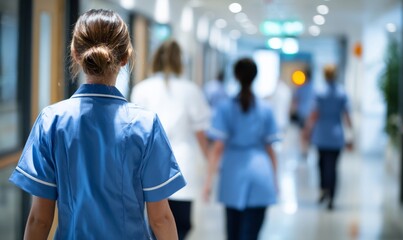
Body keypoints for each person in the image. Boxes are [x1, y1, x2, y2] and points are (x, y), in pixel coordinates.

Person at [9, 9, 185, 239]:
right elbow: (160, 218)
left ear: (75, 53)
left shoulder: (51, 121)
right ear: (125, 57)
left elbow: (39, 219)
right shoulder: (145, 125)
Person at [131, 40, 211, 240]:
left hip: (148, 165)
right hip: (183, 165)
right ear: (180, 63)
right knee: (180, 226)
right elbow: (201, 135)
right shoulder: (191, 90)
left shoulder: (142, 89)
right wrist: (209, 168)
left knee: (152, 223)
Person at [204, 58, 280, 240]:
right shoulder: (265, 109)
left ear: (236, 76)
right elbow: (270, 149)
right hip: (261, 173)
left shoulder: (225, 108)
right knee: (251, 234)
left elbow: (218, 148)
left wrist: (208, 183)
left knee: (233, 234)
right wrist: (275, 180)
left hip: (233, 174)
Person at [304, 64, 353, 210]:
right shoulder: (342, 93)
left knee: (321, 164)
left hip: (321, 134)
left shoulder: (319, 92)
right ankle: (331, 197)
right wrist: (351, 135)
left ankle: (323, 189)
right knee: (333, 167)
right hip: (336, 135)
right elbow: (347, 116)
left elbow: (314, 114)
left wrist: (307, 130)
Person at [290, 68, 315, 159]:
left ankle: (303, 150)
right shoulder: (314, 87)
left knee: (302, 133)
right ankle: (306, 149)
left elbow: (295, 100)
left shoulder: (300, 87)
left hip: (302, 113)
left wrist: (293, 110)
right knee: (308, 133)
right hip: (311, 114)